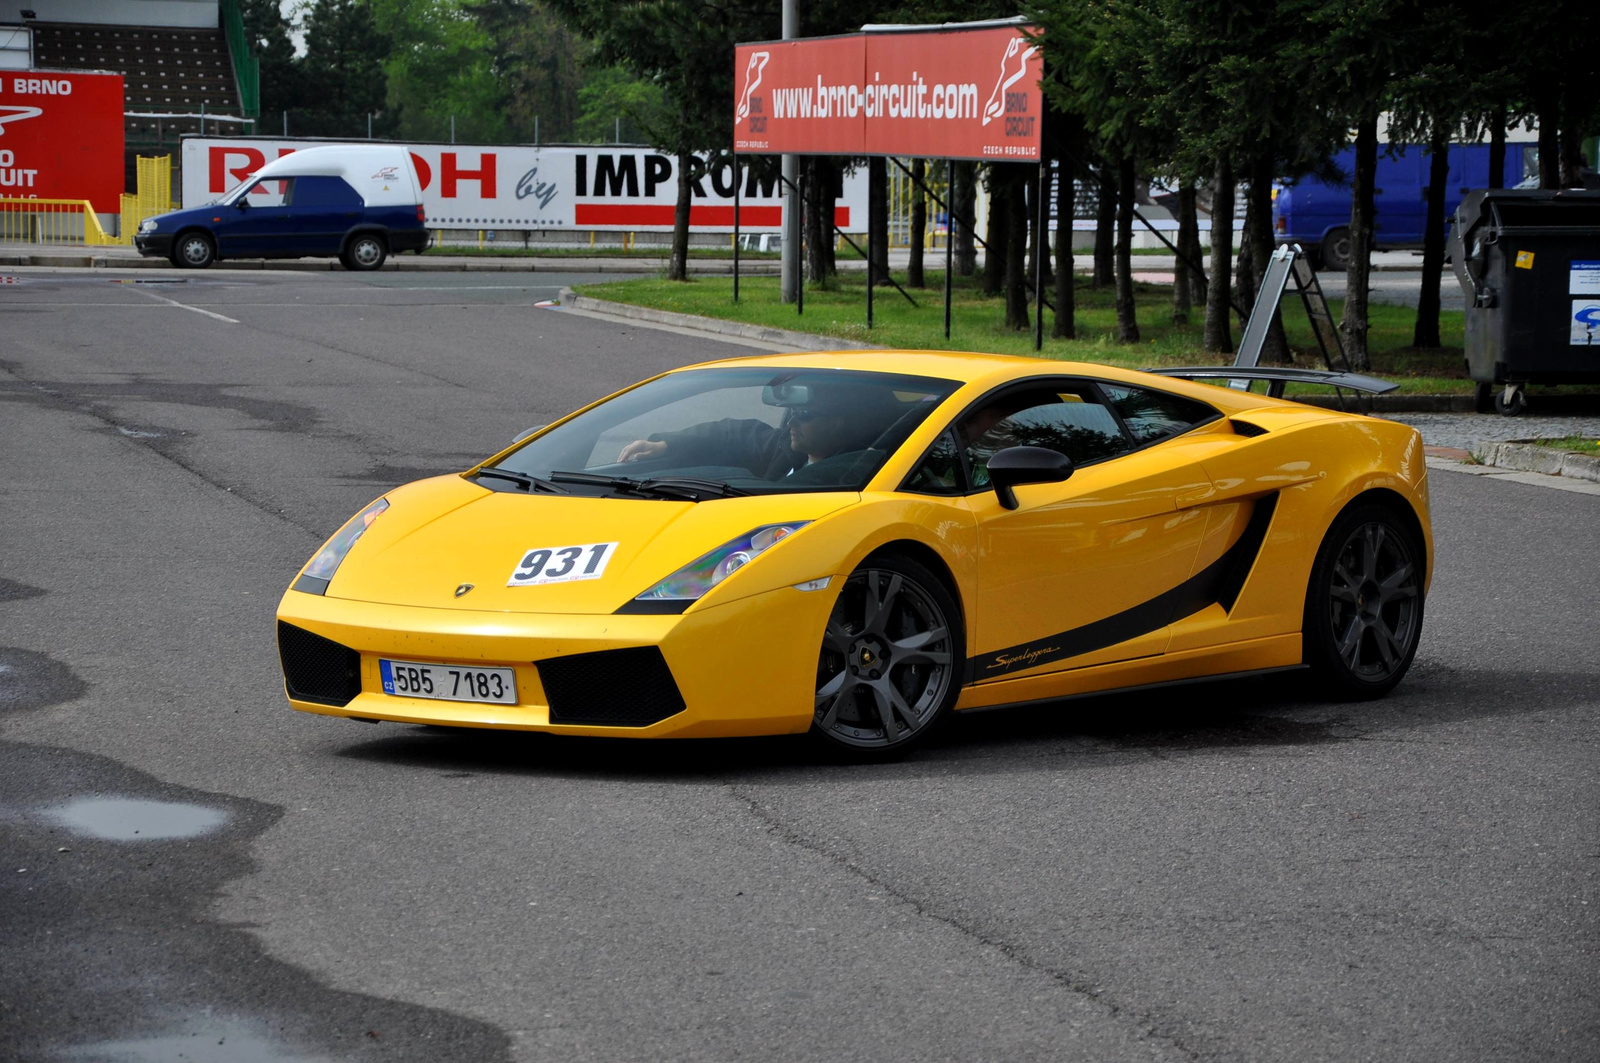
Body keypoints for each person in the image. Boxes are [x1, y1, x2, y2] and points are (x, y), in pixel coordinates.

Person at [617, 383, 899, 481]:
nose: (791, 423)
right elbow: (732, 433)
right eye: (792, 414)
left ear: (835, 423)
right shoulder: (786, 447)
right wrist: (666, 444)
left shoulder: (854, 470)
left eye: (804, 415)